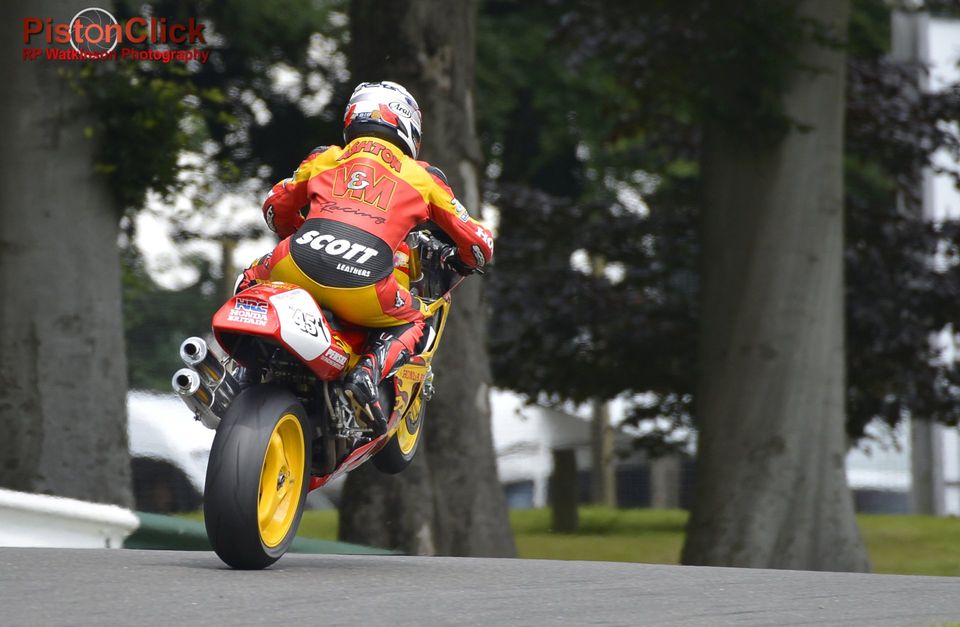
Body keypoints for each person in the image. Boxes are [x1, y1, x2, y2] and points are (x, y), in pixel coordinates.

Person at [237, 81, 494, 433]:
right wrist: (464, 260)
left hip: (294, 264)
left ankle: (237, 367)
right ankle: (366, 375)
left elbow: (274, 207)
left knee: (251, 277)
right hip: (368, 284)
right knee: (416, 320)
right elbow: (479, 242)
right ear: (407, 127)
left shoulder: (324, 157)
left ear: (352, 116)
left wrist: (297, 232)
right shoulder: (422, 177)